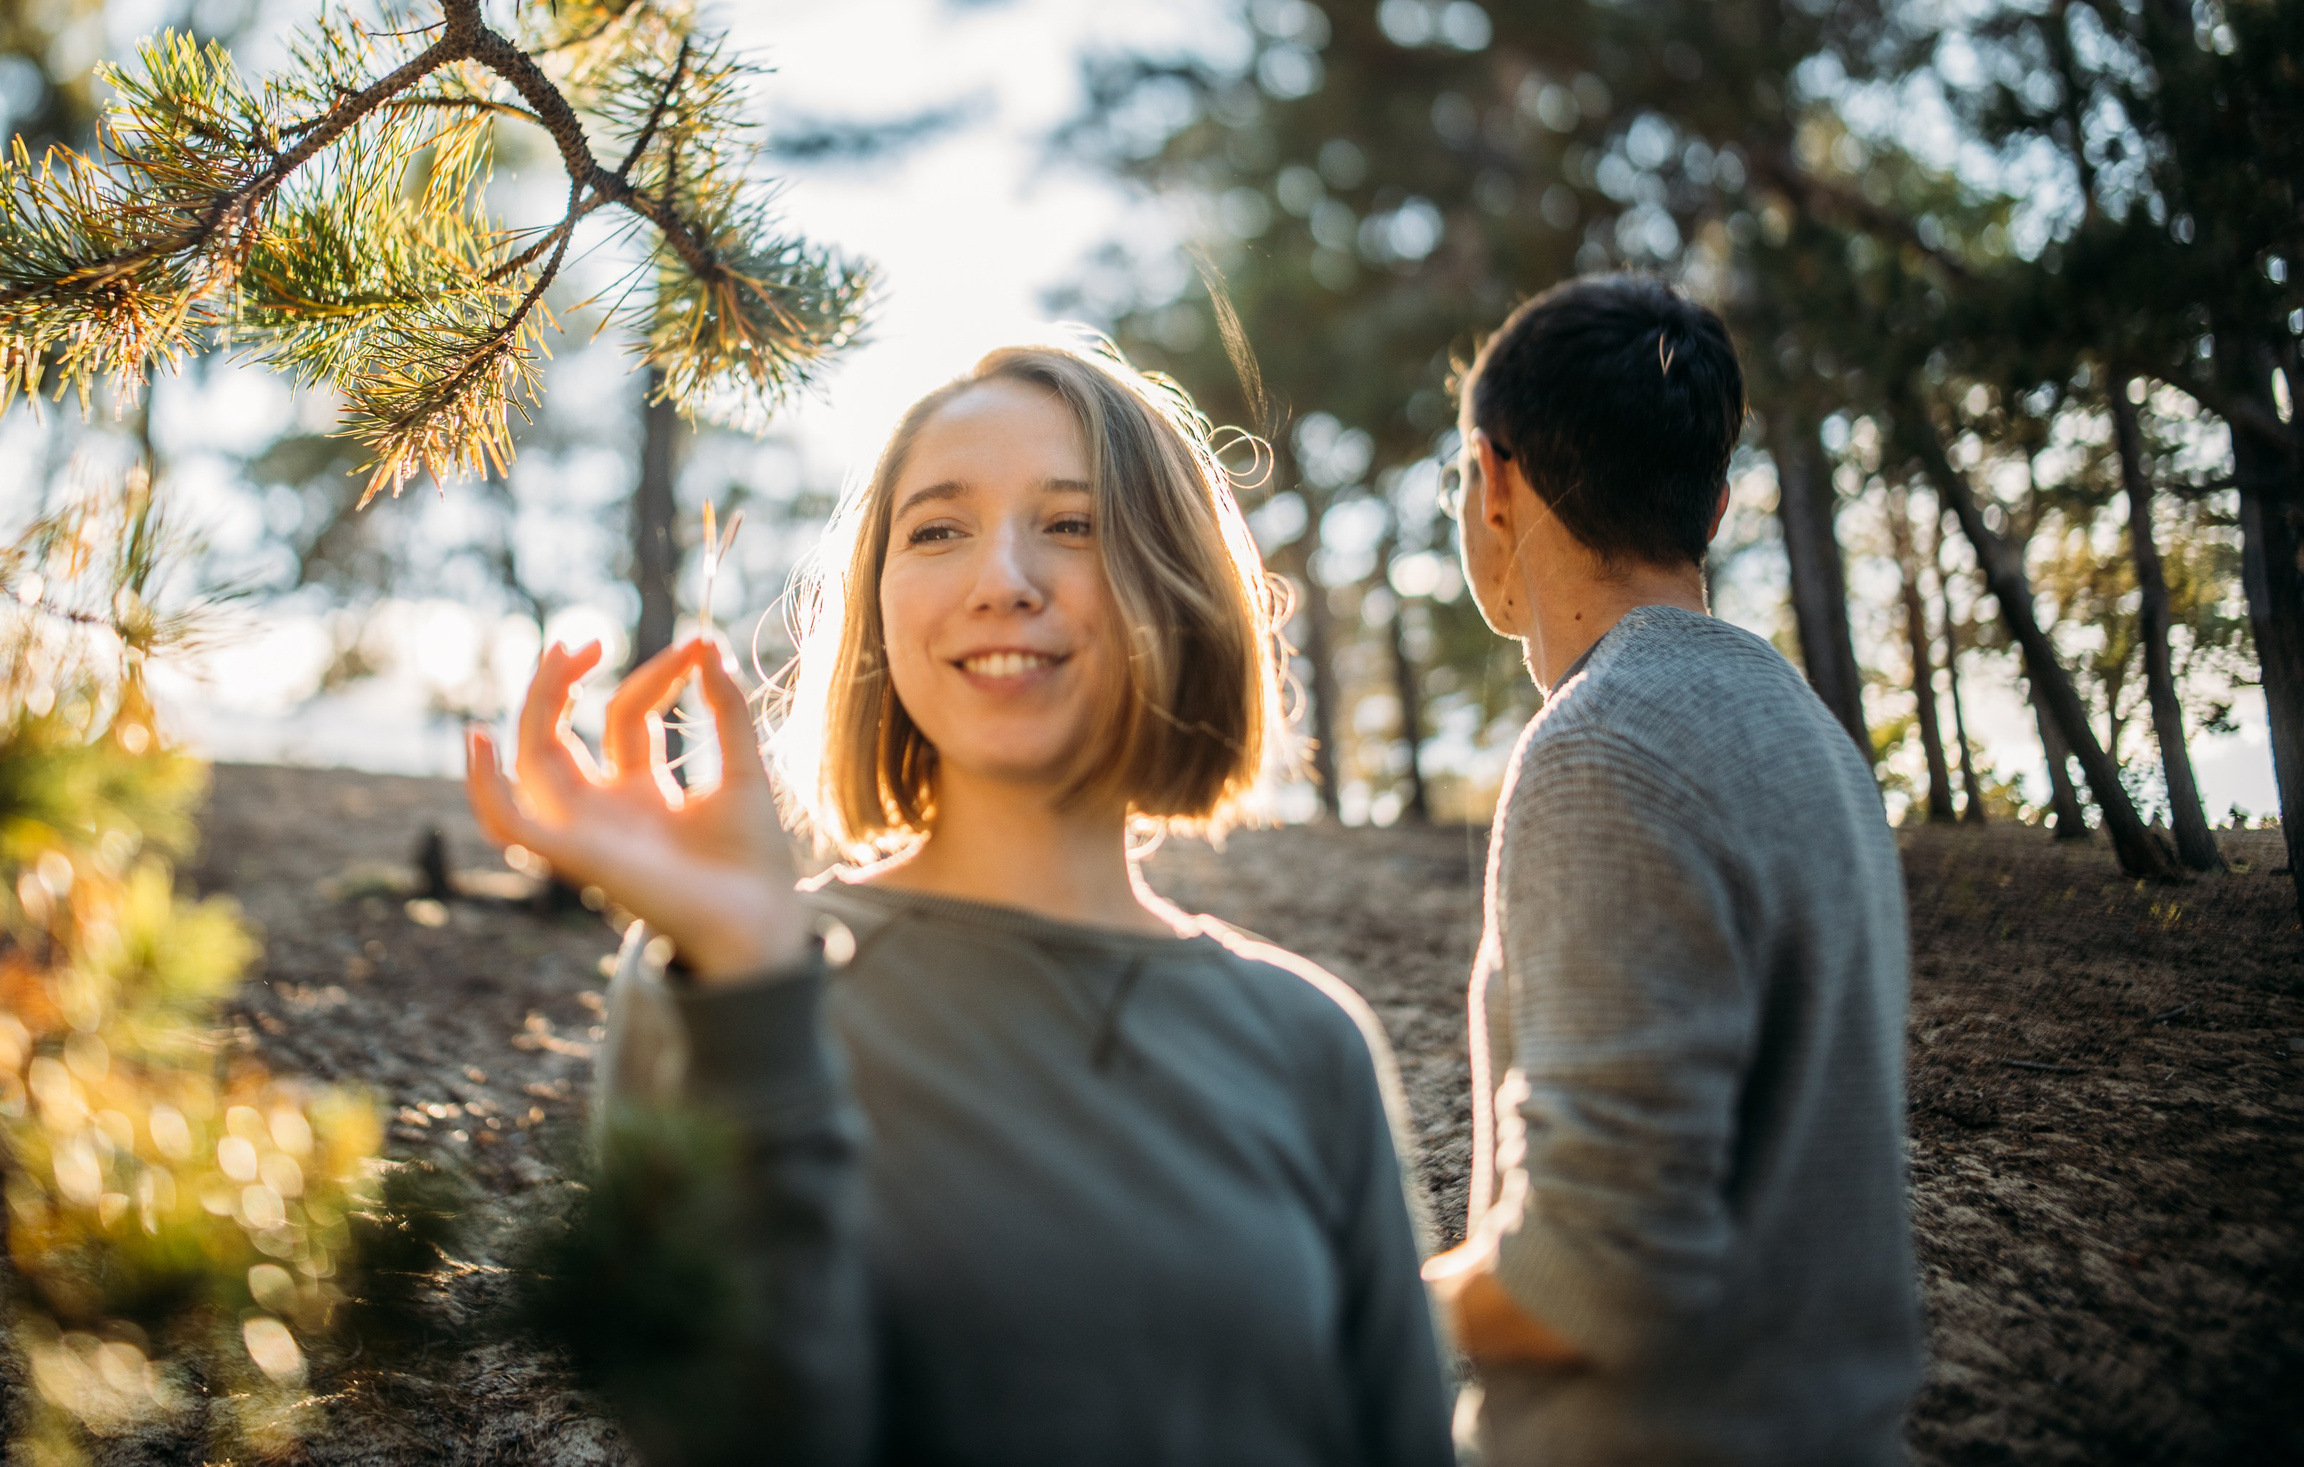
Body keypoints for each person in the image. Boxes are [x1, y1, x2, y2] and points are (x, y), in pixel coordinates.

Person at [468, 341, 1457, 1467]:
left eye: (1072, 523)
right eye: (937, 529)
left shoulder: (1311, 1041)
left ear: (1177, 584)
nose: (1003, 580)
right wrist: (750, 979)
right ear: (878, 605)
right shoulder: (712, 986)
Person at [1421, 275, 1924, 1466]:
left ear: (1493, 479)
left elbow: (1595, 1276)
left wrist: (1340, 1308)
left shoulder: (1601, 746)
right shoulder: (1810, 736)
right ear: (1716, 502)